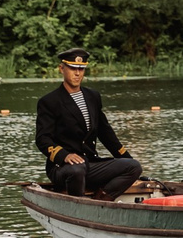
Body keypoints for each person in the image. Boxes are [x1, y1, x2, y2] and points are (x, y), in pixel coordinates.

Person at [35, 48, 141, 198]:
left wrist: (127, 158)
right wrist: (64, 155)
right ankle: (78, 205)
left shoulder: (93, 96)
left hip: (90, 164)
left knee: (134, 167)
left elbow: (106, 134)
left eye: (81, 69)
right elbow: (42, 139)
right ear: (61, 69)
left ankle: (102, 199)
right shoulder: (49, 101)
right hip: (62, 168)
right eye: (73, 68)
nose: (77, 73)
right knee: (77, 170)